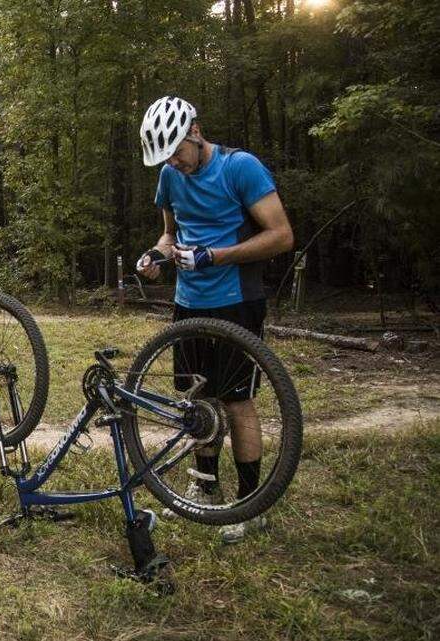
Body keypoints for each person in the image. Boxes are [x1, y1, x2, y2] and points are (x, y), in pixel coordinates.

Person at [134, 96, 294, 544]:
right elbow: (170, 233)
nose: (175, 163)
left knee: (236, 401)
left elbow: (281, 236)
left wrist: (215, 256)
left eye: (178, 153)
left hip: (236, 300)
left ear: (196, 132)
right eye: (165, 157)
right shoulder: (170, 174)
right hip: (189, 303)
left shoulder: (240, 168)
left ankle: (251, 503)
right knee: (194, 400)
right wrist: (155, 255)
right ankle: (204, 485)